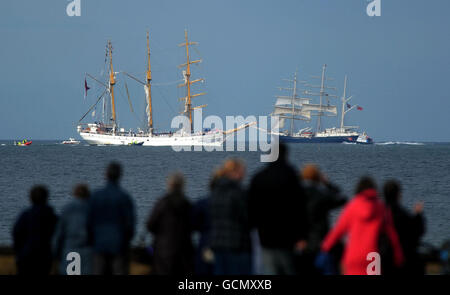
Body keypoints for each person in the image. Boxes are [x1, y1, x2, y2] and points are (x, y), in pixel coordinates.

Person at [319, 177, 404, 275]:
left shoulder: (352, 207)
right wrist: (398, 256)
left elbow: (337, 231)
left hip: (353, 256)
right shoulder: (382, 209)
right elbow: (391, 234)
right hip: (372, 256)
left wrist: (324, 248)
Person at [248, 143, 308, 275]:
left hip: (265, 236)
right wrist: (302, 236)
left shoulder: (258, 177)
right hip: (288, 237)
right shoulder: (292, 176)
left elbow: (250, 208)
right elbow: (300, 207)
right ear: (286, 155)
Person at [88, 162, 135, 275]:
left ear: (105, 175)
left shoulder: (95, 196)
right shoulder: (125, 197)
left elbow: (88, 223)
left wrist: (92, 241)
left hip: (99, 246)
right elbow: (130, 225)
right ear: (120, 175)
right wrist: (125, 242)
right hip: (119, 246)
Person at [299, 164, 347, 274]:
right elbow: (342, 198)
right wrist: (328, 184)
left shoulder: (296, 196)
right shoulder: (321, 195)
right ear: (317, 178)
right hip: (322, 243)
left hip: (304, 245)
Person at [209, 159, 253, 275]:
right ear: (235, 172)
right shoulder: (239, 192)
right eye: (242, 171)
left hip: (217, 244)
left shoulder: (214, 192)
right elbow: (248, 218)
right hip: (238, 245)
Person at [147, 172, 194, 275]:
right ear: (183, 186)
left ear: (169, 185)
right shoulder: (187, 204)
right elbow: (194, 226)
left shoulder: (162, 203)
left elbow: (150, 225)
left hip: (163, 251)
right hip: (183, 250)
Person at [382, 180, 426, 274]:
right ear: (398, 195)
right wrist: (418, 215)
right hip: (400, 260)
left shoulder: (379, 214)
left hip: (381, 258)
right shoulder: (402, 214)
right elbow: (418, 231)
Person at [12, 185, 58, 275]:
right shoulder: (52, 217)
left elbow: (16, 233)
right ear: (46, 198)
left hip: (26, 256)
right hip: (44, 256)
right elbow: (59, 236)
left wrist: (20, 251)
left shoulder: (25, 215)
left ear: (31, 198)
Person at [53, 184, 92, 275]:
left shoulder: (66, 209)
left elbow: (59, 235)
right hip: (88, 252)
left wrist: (56, 255)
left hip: (69, 250)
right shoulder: (93, 210)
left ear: (74, 194)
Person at [191, 169, 221, 275]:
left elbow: (192, 224)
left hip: (207, 242)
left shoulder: (202, 203)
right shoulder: (235, 202)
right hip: (228, 247)